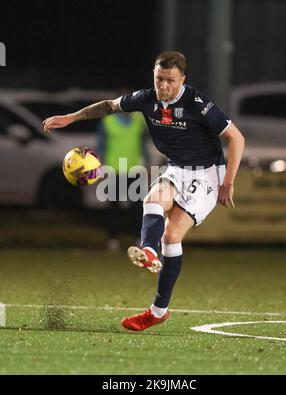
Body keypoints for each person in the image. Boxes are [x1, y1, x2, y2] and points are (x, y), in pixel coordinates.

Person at [43, 51, 245, 332]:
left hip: (208, 173)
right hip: (177, 167)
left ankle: (158, 310)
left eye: (170, 81)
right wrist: (71, 117)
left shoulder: (198, 104)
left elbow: (236, 137)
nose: (163, 86)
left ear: (182, 80)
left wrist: (228, 182)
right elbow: (109, 106)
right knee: (152, 199)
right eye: (159, 79)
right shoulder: (146, 98)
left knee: (172, 235)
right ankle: (148, 250)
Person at [95, 102, 148, 250]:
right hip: (114, 169)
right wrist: (99, 167)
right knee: (113, 206)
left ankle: (139, 237)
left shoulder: (139, 120)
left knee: (137, 206)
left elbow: (143, 144)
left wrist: (148, 163)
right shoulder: (108, 122)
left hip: (134, 169)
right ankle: (112, 238)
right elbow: (100, 145)